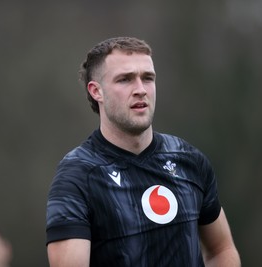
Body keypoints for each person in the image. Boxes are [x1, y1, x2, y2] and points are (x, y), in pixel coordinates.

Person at [46, 36, 241, 266]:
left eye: (147, 78)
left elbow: (221, 249)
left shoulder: (189, 160)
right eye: (125, 79)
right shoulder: (77, 176)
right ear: (96, 91)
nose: (140, 89)